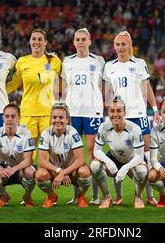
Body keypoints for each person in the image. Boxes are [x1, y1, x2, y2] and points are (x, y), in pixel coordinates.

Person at [103, 31, 159, 205]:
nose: (121, 47)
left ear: (130, 45)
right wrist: (109, 109)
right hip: (120, 117)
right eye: (118, 44)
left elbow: (147, 88)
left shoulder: (139, 64)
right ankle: (119, 197)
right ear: (114, 47)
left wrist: (155, 108)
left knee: (146, 158)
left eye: (124, 44)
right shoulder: (109, 66)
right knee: (117, 153)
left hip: (139, 116)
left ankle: (147, 196)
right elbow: (106, 93)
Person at [61, 28, 105, 205]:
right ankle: (77, 194)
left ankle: (95, 196)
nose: (80, 42)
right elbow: (64, 88)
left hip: (92, 111)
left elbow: (103, 86)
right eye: (77, 39)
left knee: (93, 152)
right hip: (73, 112)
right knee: (74, 155)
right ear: (74, 43)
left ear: (89, 41)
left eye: (83, 39)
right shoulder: (67, 61)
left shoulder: (99, 61)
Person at [6, 28, 62, 147]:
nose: (36, 42)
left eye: (40, 39)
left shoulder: (54, 61)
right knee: (28, 151)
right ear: (30, 41)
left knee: (48, 151)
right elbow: (14, 84)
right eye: (34, 39)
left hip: (47, 112)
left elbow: (63, 83)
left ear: (45, 42)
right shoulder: (22, 61)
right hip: (28, 113)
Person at [91, 96, 147, 209]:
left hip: (132, 159)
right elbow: (96, 151)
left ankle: (138, 197)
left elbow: (140, 156)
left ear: (125, 112)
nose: (115, 114)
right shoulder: (103, 127)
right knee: (95, 165)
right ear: (108, 112)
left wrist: (125, 168)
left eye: (119, 111)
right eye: (112, 111)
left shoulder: (135, 129)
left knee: (142, 171)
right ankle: (107, 197)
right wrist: (109, 163)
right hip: (114, 157)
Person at [35, 101, 92, 208]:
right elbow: (41, 161)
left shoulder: (73, 132)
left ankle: (81, 196)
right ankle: (51, 196)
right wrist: (60, 171)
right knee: (40, 174)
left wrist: (64, 172)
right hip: (54, 172)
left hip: (72, 172)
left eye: (61, 117)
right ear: (51, 119)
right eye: (54, 117)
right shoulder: (45, 134)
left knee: (85, 172)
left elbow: (80, 160)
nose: (57, 120)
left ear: (67, 120)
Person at [0, 103, 36, 208]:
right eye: (7, 116)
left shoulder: (26, 133)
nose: (9, 119)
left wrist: (14, 169)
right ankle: (3, 195)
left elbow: (28, 160)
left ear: (19, 118)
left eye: (13, 116)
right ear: (2, 117)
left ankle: (27, 196)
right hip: (3, 168)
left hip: (20, 168)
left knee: (31, 172)